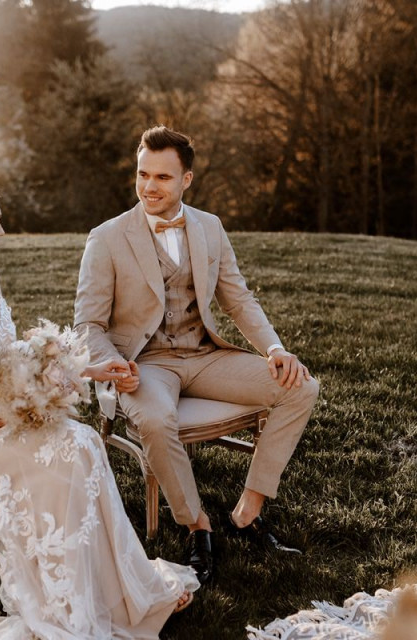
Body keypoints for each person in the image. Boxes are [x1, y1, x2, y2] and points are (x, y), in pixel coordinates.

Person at [0, 169, 198, 639]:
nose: (2, 233)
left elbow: (10, 360)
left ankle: (120, 592)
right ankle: (66, 610)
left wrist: (84, 369)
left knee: (83, 442)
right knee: (63, 452)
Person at [74, 126, 320, 584]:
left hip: (205, 355)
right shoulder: (106, 238)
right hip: (145, 364)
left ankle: (248, 510)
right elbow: (88, 325)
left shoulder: (209, 226)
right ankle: (196, 526)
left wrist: (275, 348)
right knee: (153, 419)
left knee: (301, 386)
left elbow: (238, 298)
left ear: (186, 180)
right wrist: (113, 365)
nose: (149, 186)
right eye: (143, 174)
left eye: (163, 178)